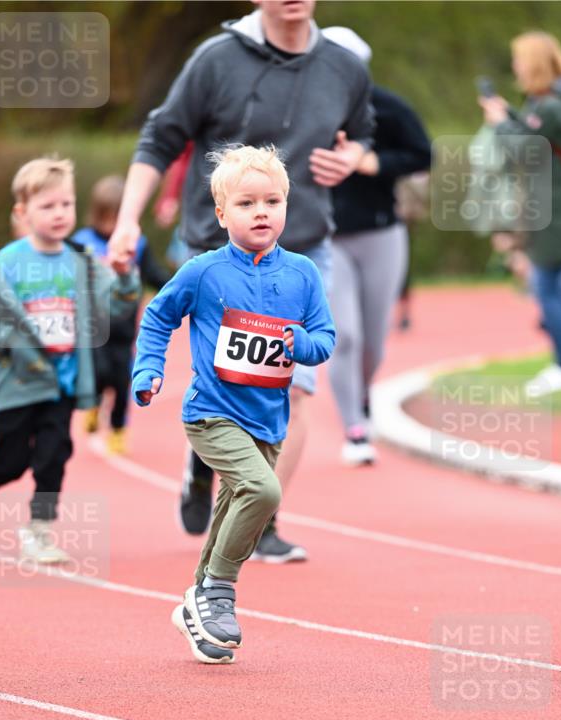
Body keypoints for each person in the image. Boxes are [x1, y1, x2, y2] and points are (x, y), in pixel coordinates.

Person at [108, 0, 373, 561]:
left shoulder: (344, 66)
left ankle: (262, 518)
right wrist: (129, 220)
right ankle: (207, 463)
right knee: (229, 378)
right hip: (215, 248)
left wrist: (352, 158)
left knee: (294, 388)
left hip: (304, 250)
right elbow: (160, 139)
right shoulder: (216, 59)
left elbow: (364, 134)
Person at [131, 145, 335, 664]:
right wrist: (148, 368)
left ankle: (196, 602)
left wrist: (300, 344)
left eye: (272, 201)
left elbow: (324, 338)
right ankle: (219, 590)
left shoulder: (304, 273)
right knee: (264, 491)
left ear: (288, 205)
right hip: (211, 412)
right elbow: (158, 317)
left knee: (231, 510)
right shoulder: (203, 272)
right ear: (221, 214)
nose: (261, 212)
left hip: (269, 419)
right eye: (246, 204)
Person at [0, 156, 140, 560]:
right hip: (17, 383)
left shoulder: (84, 262)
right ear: (22, 213)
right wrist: (0, 339)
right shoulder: (5, 263)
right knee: (12, 460)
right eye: (47, 206)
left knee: (54, 456)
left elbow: (120, 305)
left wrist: (126, 275)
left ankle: (38, 531)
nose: (59, 214)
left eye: (66, 204)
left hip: (64, 382)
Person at [480, 31, 561, 398]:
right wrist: (509, 116)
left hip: (559, 212)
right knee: (554, 290)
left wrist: (498, 123)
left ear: (535, 63)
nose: (516, 67)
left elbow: (524, 152)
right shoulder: (556, 101)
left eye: (520, 60)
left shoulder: (553, 106)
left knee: (547, 290)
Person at [322, 26, 431, 464]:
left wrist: (375, 162)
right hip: (326, 238)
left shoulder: (387, 107)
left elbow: (423, 153)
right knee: (343, 334)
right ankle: (353, 426)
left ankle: (362, 396)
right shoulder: (305, 110)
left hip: (382, 233)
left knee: (373, 341)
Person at [73, 175, 170, 454]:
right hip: (92, 327)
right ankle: (92, 404)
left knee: (122, 379)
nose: (112, 224)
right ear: (97, 214)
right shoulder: (82, 243)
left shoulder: (135, 243)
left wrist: (176, 291)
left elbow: (154, 273)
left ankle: (117, 428)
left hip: (125, 326)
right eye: (107, 217)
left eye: (119, 217)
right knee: (98, 372)